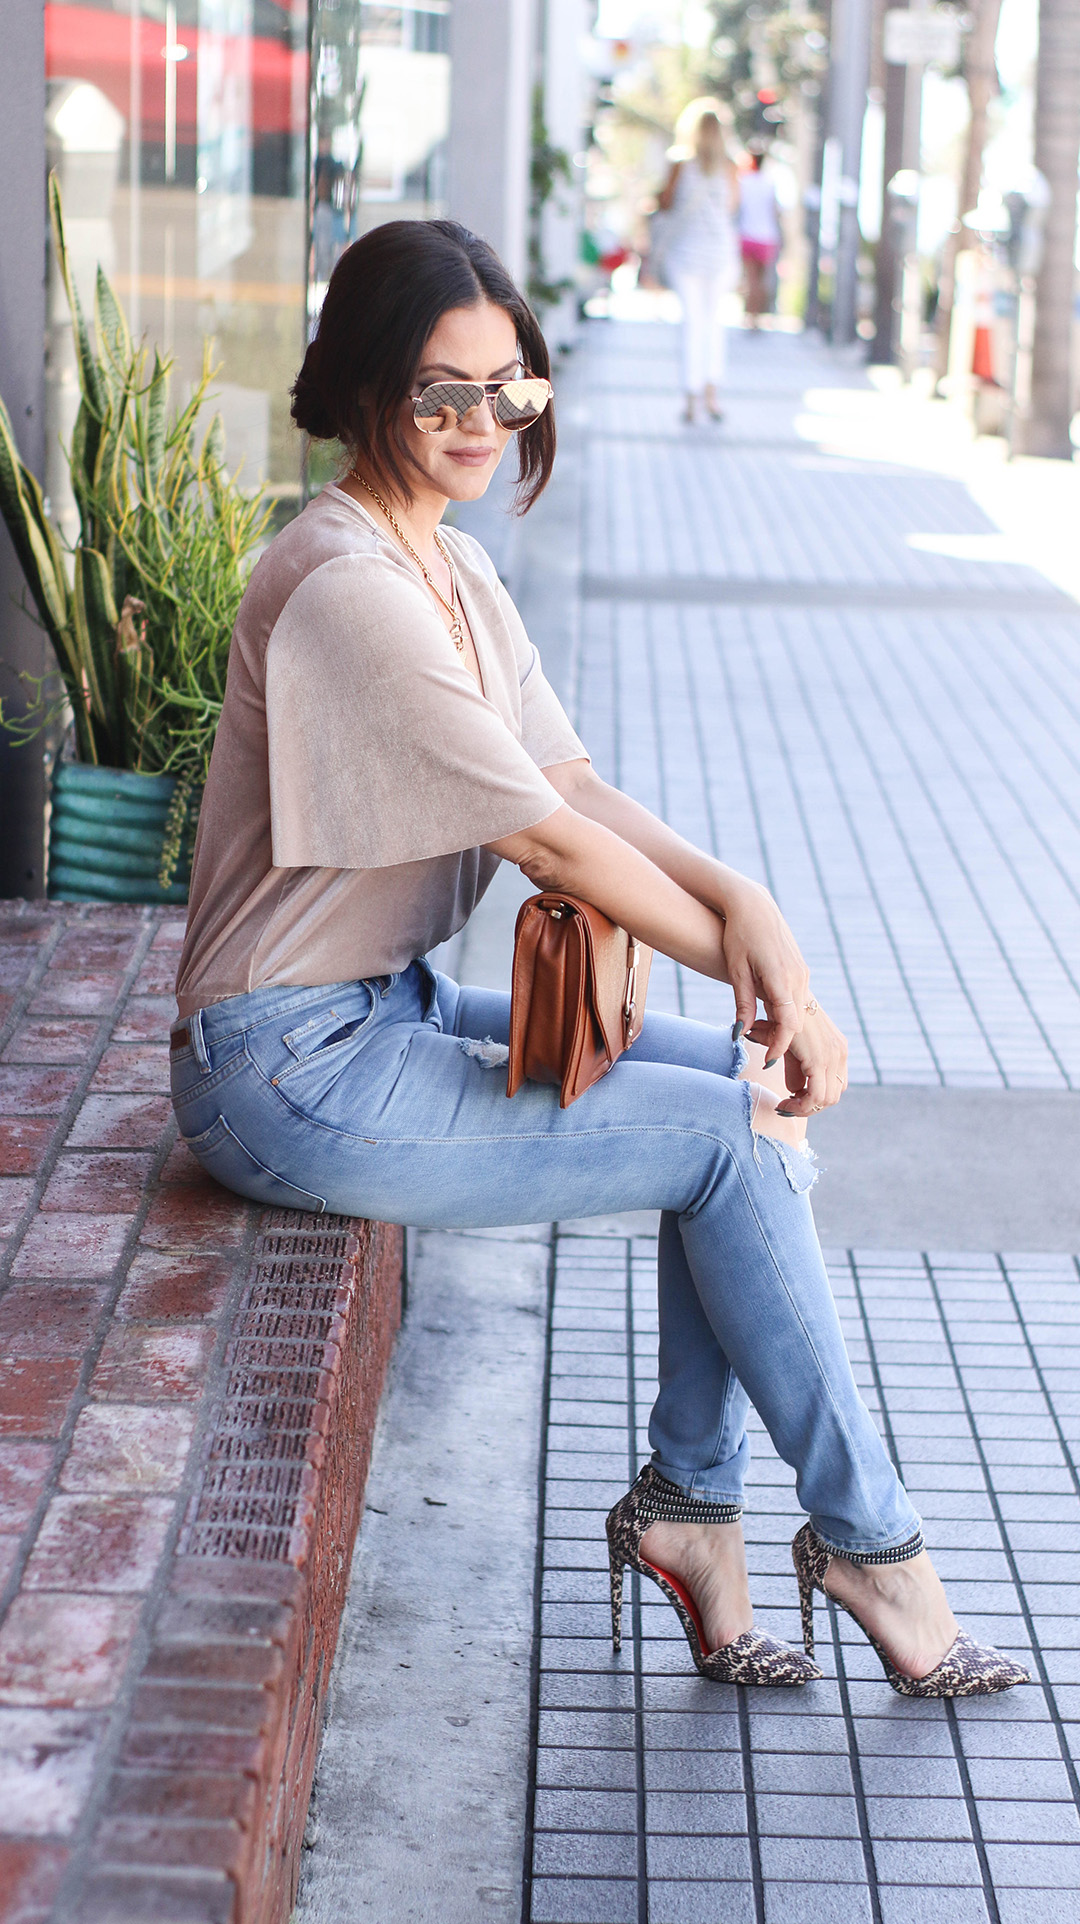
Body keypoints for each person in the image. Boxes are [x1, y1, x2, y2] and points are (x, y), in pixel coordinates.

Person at [170, 219, 1028, 1700]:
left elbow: (574, 788)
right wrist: (787, 985)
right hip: (283, 1073)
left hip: (377, 1015)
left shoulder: (443, 569)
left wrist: (748, 911)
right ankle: (866, 1543)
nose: (482, 428)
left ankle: (696, 1511)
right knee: (730, 1132)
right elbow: (550, 854)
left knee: (740, 1099)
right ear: (370, 389)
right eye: (444, 395)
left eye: (512, 392)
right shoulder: (350, 589)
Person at [656, 99, 739, 425]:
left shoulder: (680, 164)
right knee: (714, 324)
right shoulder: (730, 167)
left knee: (692, 324)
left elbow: (665, 203)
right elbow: (732, 209)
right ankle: (712, 395)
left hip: (686, 254)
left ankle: (691, 399)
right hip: (719, 255)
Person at [739, 148, 782, 326]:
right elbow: (776, 210)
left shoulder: (744, 182)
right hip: (766, 236)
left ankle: (750, 315)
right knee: (762, 280)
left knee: (750, 280)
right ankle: (757, 315)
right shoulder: (769, 183)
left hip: (747, 234)